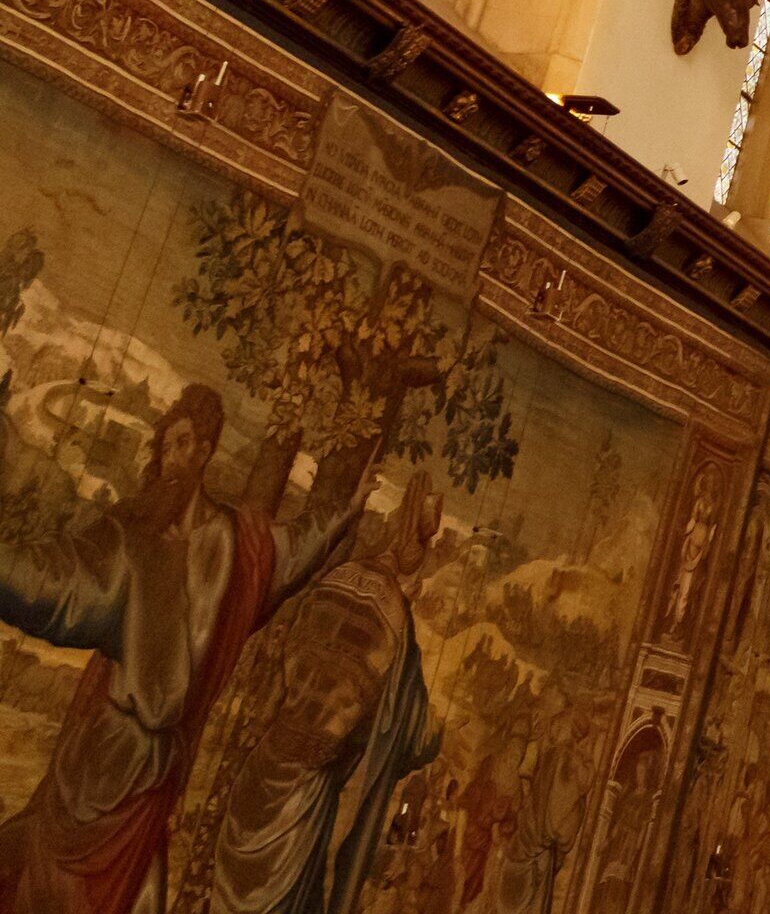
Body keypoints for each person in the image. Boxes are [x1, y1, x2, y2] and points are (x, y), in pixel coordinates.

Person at [0, 379, 380, 914]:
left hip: (153, 775)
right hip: (101, 759)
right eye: (164, 449)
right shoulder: (132, 540)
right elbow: (55, 588)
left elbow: (292, 552)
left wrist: (347, 507)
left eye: (182, 445)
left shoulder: (236, 545)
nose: (170, 461)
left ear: (204, 451)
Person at [193, 475, 446, 914]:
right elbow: (412, 732)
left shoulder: (338, 578)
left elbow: (289, 656)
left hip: (264, 767)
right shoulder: (396, 621)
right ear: (418, 556)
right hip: (304, 794)